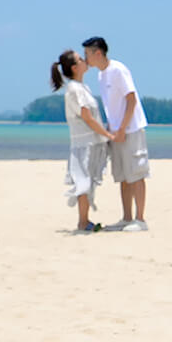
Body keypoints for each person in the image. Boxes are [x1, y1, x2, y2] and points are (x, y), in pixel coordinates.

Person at [82, 36, 150, 230]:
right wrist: (112, 131)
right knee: (122, 175)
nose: (85, 58)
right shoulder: (101, 75)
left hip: (131, 129)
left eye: (87, 53)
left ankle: (141, 219)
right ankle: (127, 217)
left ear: (98, 53)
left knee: (136, 172)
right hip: (115, 131)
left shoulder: (118, 69)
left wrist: (122, 129)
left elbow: (131, 99)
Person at [52, 49, 112, 233]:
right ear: (74, 67)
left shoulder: (83, 88)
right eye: (80, 59)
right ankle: (83, 222)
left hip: (91, 143)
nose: (85, 60)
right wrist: (108, 135)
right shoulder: (74, 89)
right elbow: (87, 116)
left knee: (88, 182)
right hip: (83, 144)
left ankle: (85, 221)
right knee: (83, 182)